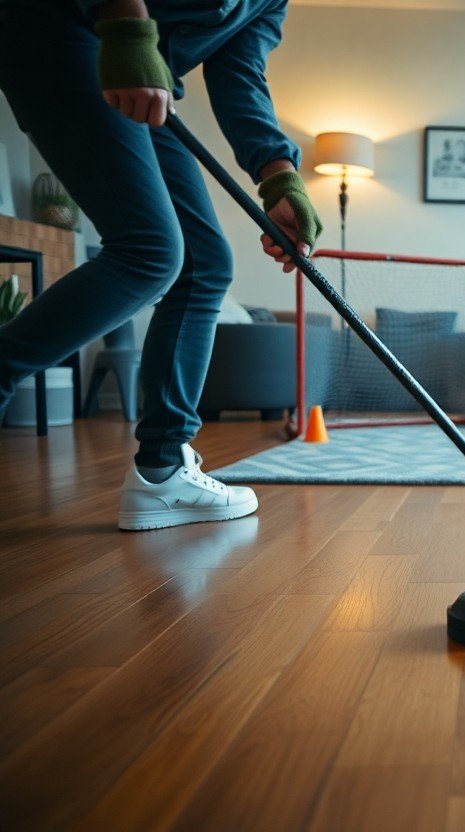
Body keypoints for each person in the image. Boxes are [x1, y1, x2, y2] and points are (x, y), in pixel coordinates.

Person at [0, 0, 322, 530]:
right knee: (150, 251)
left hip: (146, 72)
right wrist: (127, 27)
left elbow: (239, 72)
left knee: (206, 263)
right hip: (69, 30)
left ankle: (162, 471)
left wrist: (279, 177)